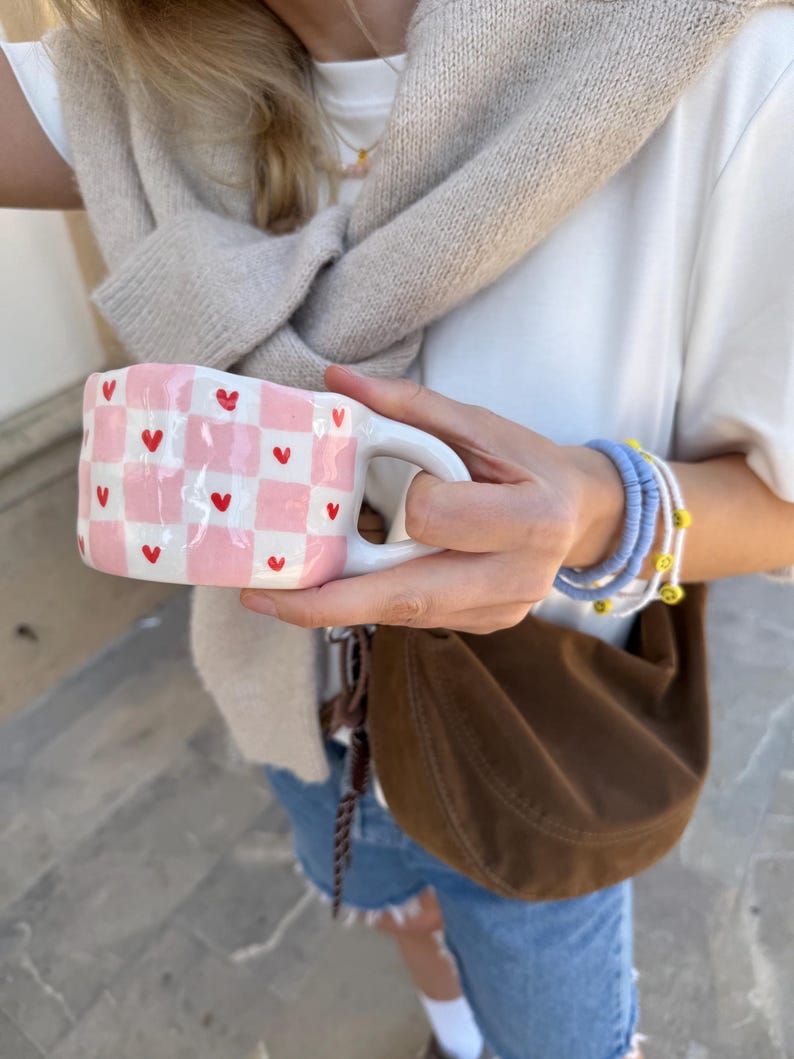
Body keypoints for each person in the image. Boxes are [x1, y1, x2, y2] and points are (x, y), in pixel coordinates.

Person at [2, 2, 793, 1057]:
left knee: (559, 1030)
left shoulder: (702, 51)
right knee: (399, 908)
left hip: (526, 738)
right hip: (291, 707)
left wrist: (598, 509)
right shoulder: (136, 96)